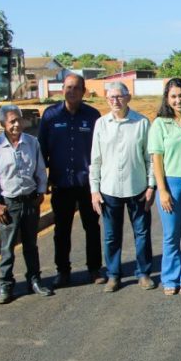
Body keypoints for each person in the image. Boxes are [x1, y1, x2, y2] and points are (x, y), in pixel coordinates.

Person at [38, 74, 104, 287]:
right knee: (61, 230)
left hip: (87, 184)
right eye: (68, 87)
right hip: (61, 183)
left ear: (83, 91)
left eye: (76, 88)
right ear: (62, 90)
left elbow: (101, 149)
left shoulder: (93, 116)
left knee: (92, 227)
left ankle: (94, 269)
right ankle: (63, 271)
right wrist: (42, 180)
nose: (72, 91)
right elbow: (41, 150)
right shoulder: (50, 115)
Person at [90, 82, 156, 293]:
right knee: (111, 236)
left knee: (142, 233)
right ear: (106, 99)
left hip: (137, 187)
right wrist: (94, 190)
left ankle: (143, 273)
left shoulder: (141, 122)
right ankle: (113, 275)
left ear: (128, 98)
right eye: (111, 97)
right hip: (109, 190)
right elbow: (96, 159)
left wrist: (151, 186)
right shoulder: (101, 124)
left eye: (119, 96)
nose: (115, 101)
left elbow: (150, 158)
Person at [0, 105, 52, 304]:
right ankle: (5, 285)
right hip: (8, 204)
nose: (16, 125)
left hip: (30, 201)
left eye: (18, 120)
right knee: (7, 248)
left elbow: (40, 169)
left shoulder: (32, 143)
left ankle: (35, 280)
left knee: (31, 245)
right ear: (2, 124)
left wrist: (41, 191)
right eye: (11, 121)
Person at [149, 78, 181, 296]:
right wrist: (162, 190)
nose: (178, 100)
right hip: (171, 183)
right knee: (171, 235)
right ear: (167, 99)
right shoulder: (160, 124)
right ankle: (170, 278)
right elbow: (156, 158)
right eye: (173, 97)